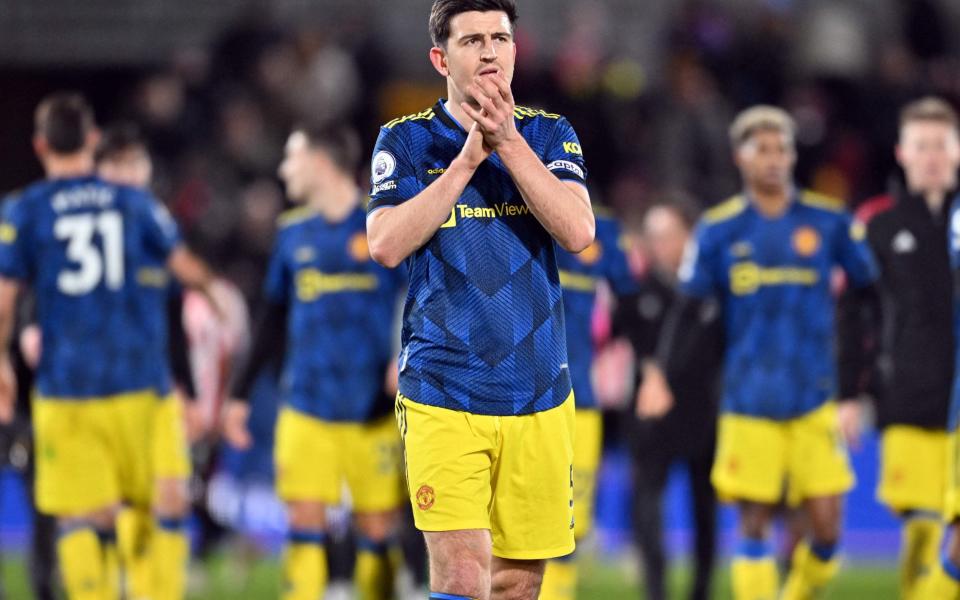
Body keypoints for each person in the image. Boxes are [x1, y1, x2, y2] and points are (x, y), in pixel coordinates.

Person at [365, 0, 595, 598]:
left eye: (500, 38)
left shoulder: (550, 133)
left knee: (519, 583)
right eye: (472, 41)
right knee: (462, 575)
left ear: (516, 50)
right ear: (441, 58)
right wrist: (467, 160)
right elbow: (385, 243)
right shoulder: (408, 141)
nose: (490, 51)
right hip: (443, 388)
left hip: (539, 390)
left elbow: (578, 232)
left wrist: (510, 145)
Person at [639, 105, 878, 600]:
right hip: (747, 399)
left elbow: (867, 290)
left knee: (828, 530)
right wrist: (660, 372)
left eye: (781, 149)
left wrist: (858, 380)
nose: (772, 159)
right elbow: (687, 310)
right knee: (754, 524)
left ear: (792, 156)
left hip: (814, 397)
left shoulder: (828, 222)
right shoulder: (720, 230)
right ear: (740, 158)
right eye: (760, 150)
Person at [0, 92, 215, 600]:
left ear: (40, 145)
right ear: (92, 141)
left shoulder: (25, 210)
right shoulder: (132, 201)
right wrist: (218, 292)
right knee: (158, 503)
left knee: (81, 516)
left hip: (67, 387)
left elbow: (5, 300)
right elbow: (185, 269)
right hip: (139, 381)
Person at [223, 125, 407, 600]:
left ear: (322, 163)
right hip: (305, 406)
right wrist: (239, 395)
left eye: (292, 158)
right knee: (303, 528)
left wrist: (404, 356)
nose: (285, 169)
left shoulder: (386, 224)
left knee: (377, 536)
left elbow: (420, 298)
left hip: (373, 411)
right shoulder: (291, 233)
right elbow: (272, 317)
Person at [844, 97, 960, 599]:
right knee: (923, 529)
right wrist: (848, 392)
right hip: (909, 396)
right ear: (901, 153)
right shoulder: (878, 224)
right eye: (922, 146)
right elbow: (852, 312)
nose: (932, 156)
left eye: (941, 145)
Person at [94, 122, 201, 600]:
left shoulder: (158, 227)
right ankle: (124, 583)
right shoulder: (84, 230)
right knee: (117, 501)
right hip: (99, 386)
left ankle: (159, 591)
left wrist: (188, 387)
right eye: (118, 166)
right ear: (101, 172)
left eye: (135, 165)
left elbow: (174, 314)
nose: (129, 175)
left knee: (172, 494)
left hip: (157, 385)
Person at [618, 201, 721, 600]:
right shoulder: (636, 292)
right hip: (649, 418)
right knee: (647, 504)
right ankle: (655, 590)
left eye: (667, 234)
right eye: (652, 235)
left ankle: (701, 591)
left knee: (705, 510)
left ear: (688, 237)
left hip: (701, 414)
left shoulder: (710, 294)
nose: (658, 244)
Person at [539, 207, 638, 600]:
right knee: (517, 521)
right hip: (516, 397)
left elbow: (631, 302)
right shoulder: (508, 212)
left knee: (571, 522)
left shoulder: (605, 232)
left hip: (581, 397)